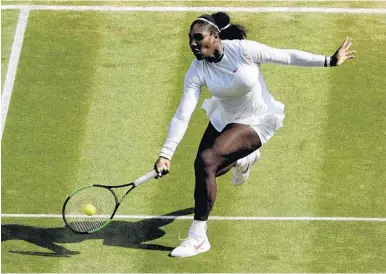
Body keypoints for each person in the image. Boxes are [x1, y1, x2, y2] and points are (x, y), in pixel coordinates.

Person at [153, 12, 356, 258]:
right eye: (190, 39)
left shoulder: (244, 50)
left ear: (216, 37)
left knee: (207, 160)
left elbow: (287, 56)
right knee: (207, 169)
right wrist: (166, 153)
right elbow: (183, 114)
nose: (193, 44)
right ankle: (244, 159)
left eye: (198, 38)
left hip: (257, 119)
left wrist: (329, 61)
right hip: (225, 118)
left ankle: (198, 238)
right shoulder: (197, 70)